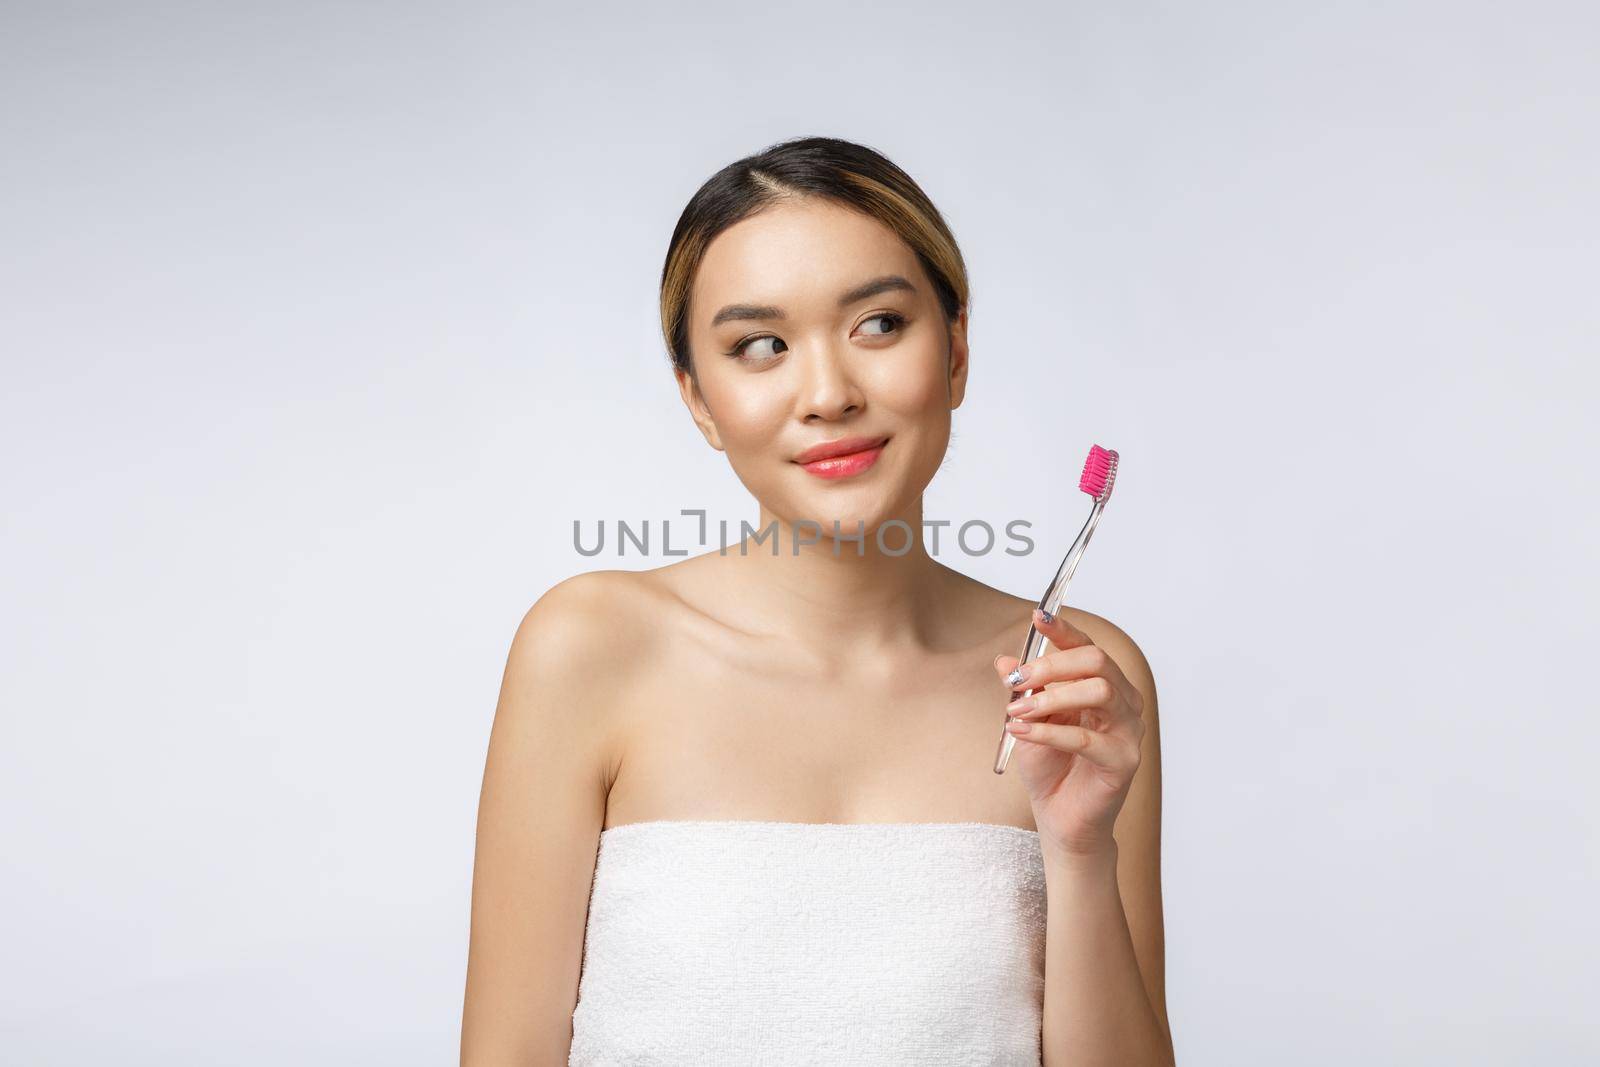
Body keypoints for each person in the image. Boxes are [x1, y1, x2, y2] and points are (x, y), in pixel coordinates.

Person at [460, 135, 1173, 1066]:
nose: (829, 393)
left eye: (878, 324)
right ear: (700, 400)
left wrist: (1080, 855)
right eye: (760, 346)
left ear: (955, 351)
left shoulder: (1077, 683)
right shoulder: (590, 649)